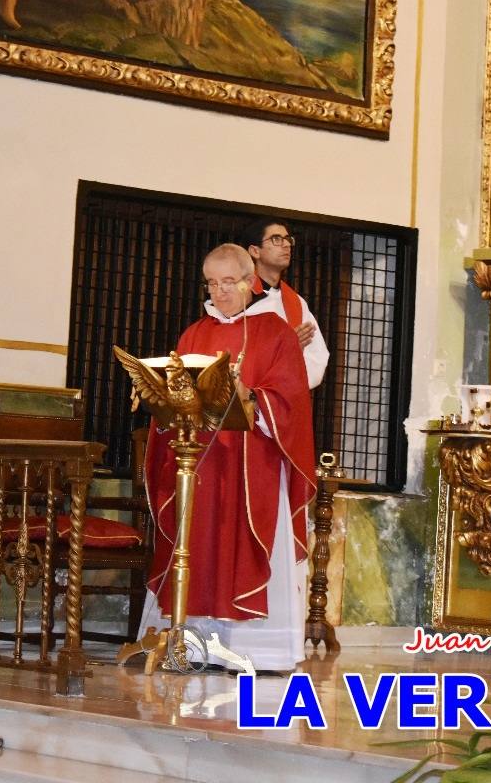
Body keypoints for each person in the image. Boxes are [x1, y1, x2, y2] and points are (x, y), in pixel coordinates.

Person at [139, 243, 317, 672]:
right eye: (212, 284)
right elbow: (175, 393)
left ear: (249, 282)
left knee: (243, 546)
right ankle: (191, 642)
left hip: (252, 465)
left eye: (228, 283)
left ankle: (258, 651)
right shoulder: (194, 334)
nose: (219, 293)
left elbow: (291, 399)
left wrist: (252, 399)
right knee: (196, 544)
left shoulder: (274, 332)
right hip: (199, 464)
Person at [240, 218, 330, 389]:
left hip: (281, 401)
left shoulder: (295, 302)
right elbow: (230, 347)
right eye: (276, 239)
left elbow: (317, 357)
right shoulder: (239, 295)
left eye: (288, 239)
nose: (287, 245)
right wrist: (286, 345)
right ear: (255, 251)